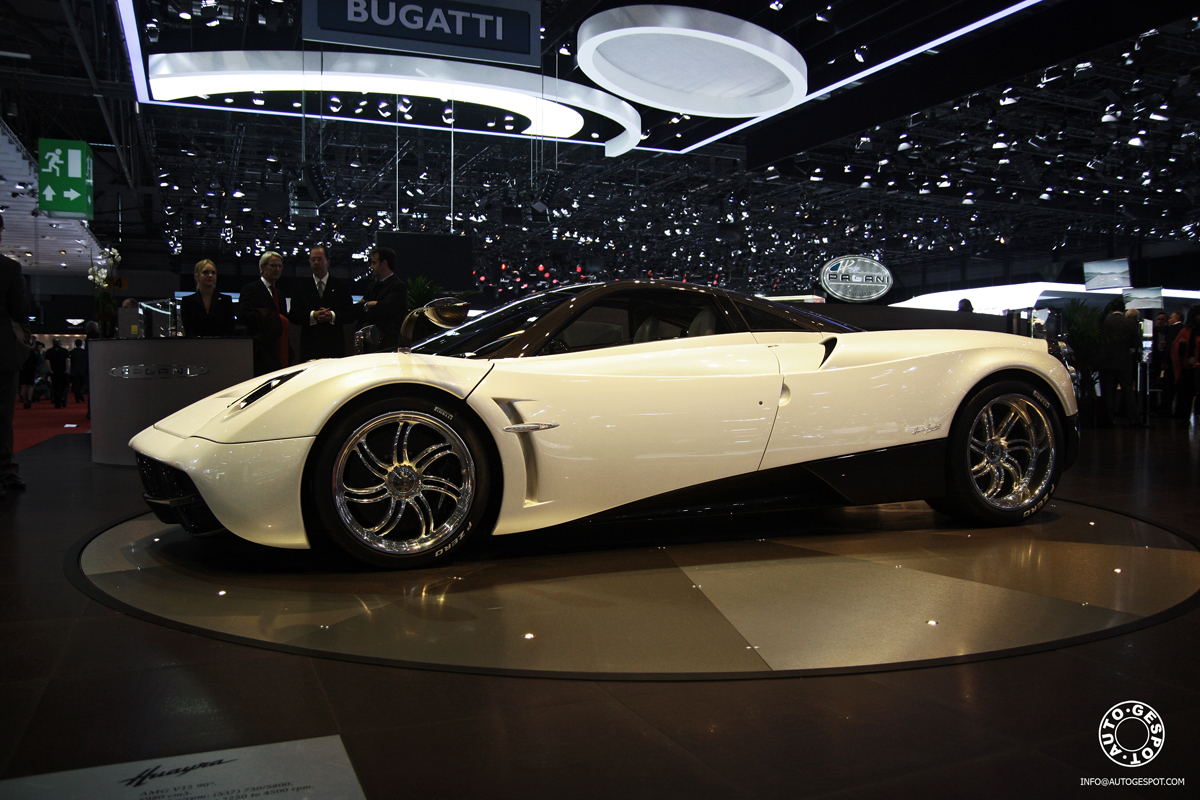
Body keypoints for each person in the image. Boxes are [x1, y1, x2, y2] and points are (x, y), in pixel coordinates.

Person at [0, 213, 32, 498]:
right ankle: (6, 471)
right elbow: (20, 312)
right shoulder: (9, 269)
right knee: (2, 416)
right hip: (3, 354)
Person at [288, 245, 353, 361]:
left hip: (334, 346)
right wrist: (313, 315)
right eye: (313, 260)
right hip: (309, 346)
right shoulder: (300, 287)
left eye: (319, 259)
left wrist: (332, 316)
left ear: (327, 262)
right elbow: (293, 315)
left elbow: (350, 314)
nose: (316, 263)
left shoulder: (341, 286)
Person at [239, 251, 292, 376]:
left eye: (280, 266)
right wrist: (266, 316)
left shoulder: (279, 294)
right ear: (262, 267)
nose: (277, 269)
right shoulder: (251, 289)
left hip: (279, 351)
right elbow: (243, 315)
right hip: (260, 352)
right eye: (273, 266)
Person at [1096, 299, 1141, 426]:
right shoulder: (1130, 323)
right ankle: (1134, 420)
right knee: (1128, 391)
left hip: (1106, 362)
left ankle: (1108, 420)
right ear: (1123, 309)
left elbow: (1097, 341)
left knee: (1108, 392)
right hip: (1123, 362)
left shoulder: (1104, 322)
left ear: (1111, 309)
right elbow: (1136, 343)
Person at [355, 246, 407, 352]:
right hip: (367, 343)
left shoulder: (398, 286)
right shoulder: (372, 286)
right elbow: (357, 310)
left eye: (374, 263)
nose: (371, 266)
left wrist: (366, 306)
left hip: (387, 344)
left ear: (384, 263)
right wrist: (369, 305)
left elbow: (385, 310)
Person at [180, 259, 236, 337]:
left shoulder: (225, 300)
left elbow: (230, 328)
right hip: (196, 346)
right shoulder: (188, 301)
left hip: (221, 346)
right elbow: (188, 330)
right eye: (205, 272)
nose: (210, 275)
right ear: (197, 276)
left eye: (213, 273)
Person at [1171, 306, 1200, 419]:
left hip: (1190, 367)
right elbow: (1176, 347)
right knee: (1187, 395)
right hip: (1189, 367)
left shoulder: (1185, 331)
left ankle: (1185, 419)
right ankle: (1184, 418)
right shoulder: (1185, 331)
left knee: (1188, 395)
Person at [44, 337, 70, 409]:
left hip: (54, 372)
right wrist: (67, 370)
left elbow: (47, 361)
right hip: (63, 371)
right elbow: (67, 360)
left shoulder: (49, 351)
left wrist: (50, 370)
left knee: (55, 387)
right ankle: (63, 399)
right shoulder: (64, 351)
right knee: (64, 386)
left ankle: (57, 403)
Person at [19, 340, 42, 409]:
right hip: (31, 369)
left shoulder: (20, 351)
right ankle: (29, 398)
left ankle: (25, 401)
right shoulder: (31, 351)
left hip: (22, 369)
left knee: (23, 386)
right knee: (31, 385)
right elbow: (36, 360)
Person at [69, 338, 88, 403]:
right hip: (83, 370)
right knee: (84, 382)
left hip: (74, 370)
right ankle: (81, 392)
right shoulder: (84, 352)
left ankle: (77, 398)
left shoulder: (72, 352)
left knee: (76, 384)